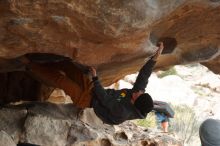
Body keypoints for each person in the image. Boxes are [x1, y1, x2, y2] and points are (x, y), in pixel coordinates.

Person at [18, 42, 164, 125]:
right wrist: (154, 58)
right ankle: (41, 60)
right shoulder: (138, 95)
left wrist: (95, 78)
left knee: (61, 81)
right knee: (69, 66)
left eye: (138, 94)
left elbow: (104, 99)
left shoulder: (123, 112)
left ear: (134, 102)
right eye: (141, 92)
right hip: (94, 91)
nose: (138, 91)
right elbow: (143, 78)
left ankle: (29, 65)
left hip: (87, 101)